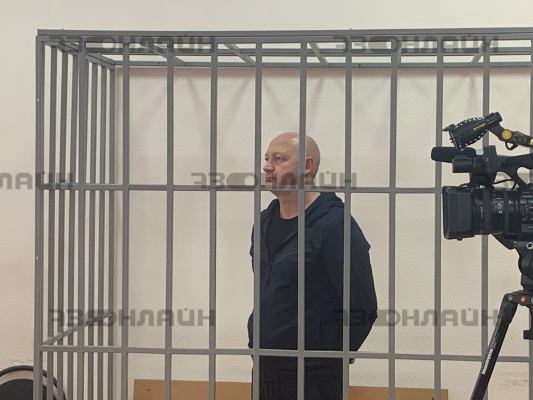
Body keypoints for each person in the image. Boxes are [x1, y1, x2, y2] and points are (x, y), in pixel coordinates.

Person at [247, 132, 378, 400]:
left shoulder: (334, 224)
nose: (267, 166)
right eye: (267, 158)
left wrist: (339, 351)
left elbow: (362, 302)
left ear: (307, 166)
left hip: (315, 378)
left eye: (279, 159)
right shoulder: (264, 222)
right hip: (265, 370)